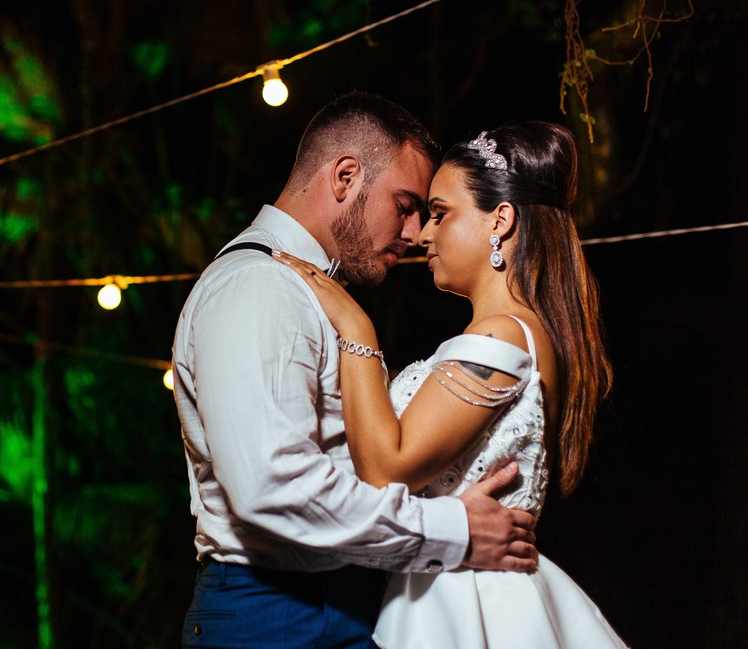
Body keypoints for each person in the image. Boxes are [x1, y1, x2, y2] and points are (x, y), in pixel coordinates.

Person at [171, 91, 538, 649]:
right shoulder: (259, 287)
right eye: (405, 205)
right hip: (276, 613)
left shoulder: (309, 291)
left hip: (341, 602)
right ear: (345, 177)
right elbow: (272, 487)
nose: (414, 233)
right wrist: (452, 530)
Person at [273, 121, 629, 647]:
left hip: (465, 601)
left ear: (500, 220)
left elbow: (386, 470)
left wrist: (356, 329)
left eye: (440, 214)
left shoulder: (501, 336)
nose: (422, 234)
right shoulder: (521, 333)